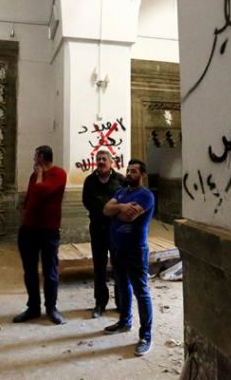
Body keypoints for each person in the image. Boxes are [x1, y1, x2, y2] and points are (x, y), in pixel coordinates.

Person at [102, 159, 156, 356]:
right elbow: (106, 210)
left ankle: (146, 336)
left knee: (141, 291)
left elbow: (127, 217)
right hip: (117, 248)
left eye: (134, 171)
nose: (129, 173)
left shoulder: (146, 195)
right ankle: (125, 321)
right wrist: (121, 207)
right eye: (128, 170)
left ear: (142, 175)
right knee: (122, 286)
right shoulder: (122, 192)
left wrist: (118, 209)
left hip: (135, 249)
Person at [13, 145, 68, 325]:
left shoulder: (59, 173)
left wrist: (38, 175)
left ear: (42, 157)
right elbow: (31, 199)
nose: (33, 159)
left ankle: (51, 307)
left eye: (35, 156)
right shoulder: (34, 176)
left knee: (50, 270)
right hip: (29, 229)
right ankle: (33, 307)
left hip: (48, 230)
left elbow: (41, 191)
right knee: (29, 271)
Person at [82, 149, 125, 318]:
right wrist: (105, 210)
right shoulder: (90, 180)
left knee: (118, 266)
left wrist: (113, 211)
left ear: (111, 162)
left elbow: (127, 199)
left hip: (116, 229)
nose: (100, 162)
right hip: (97, 229)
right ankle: (100, 303)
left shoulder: (120, 180)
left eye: (104, 159)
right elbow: (86, 201)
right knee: (99, 267)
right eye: (98, 159)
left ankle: (121, 303)